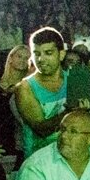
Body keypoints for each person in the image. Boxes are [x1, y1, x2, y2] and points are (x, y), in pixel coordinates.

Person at [14, 27, 70, 158]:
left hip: (70, 157)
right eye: (36, 53)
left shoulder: (73, 79)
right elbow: (41, 129)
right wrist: (71, 112)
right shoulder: (25, 87)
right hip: (39, 160)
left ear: (61, 54)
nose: (41, 59)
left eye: (48, 53)